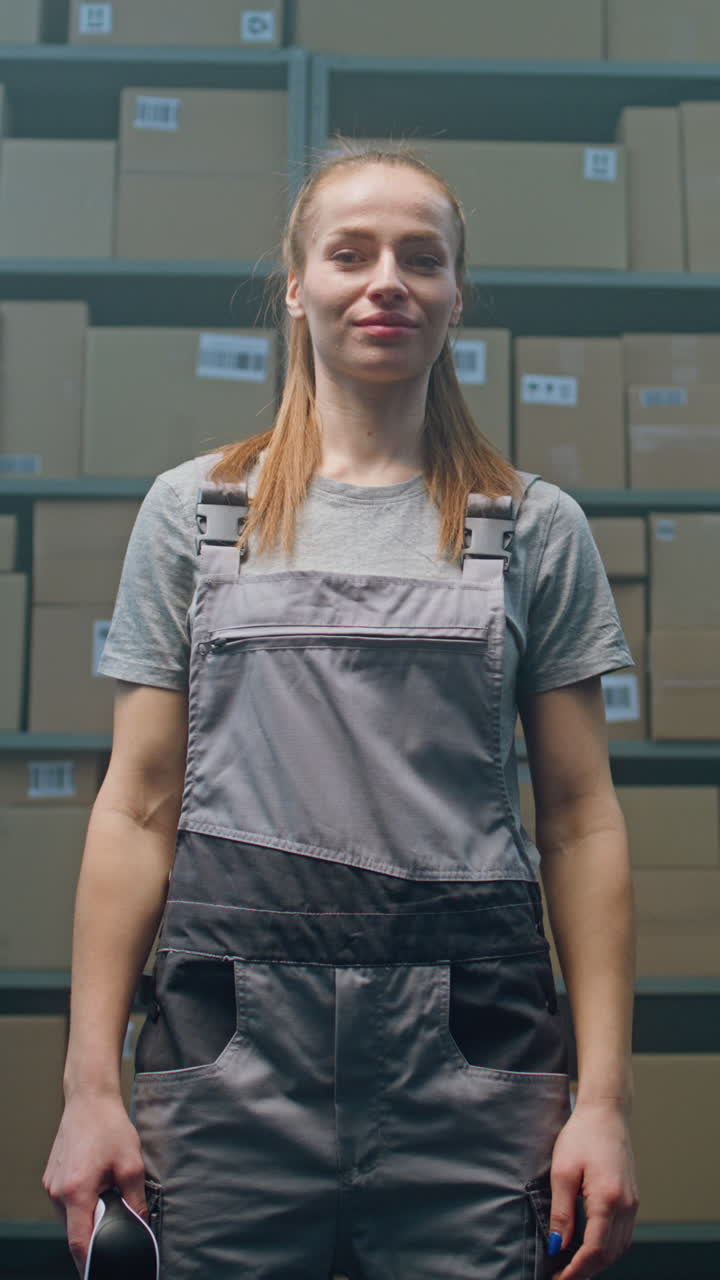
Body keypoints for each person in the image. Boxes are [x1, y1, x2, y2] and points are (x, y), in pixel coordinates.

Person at [43, 143, 639, 1280]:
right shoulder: (196, 513)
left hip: (477, 1061)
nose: (387, 282)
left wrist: (601, 1101)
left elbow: (582, 820)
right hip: (226, 1062)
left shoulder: (531, 523)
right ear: (295, 282)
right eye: (350, 253)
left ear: (457, 292)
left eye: (422, 258)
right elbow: (135, 808)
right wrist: (88, 1087)